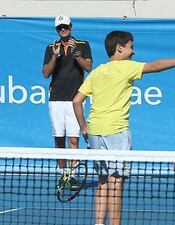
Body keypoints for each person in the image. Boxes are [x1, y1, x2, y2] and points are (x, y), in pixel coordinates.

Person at [72, 31, 175, 225]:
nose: (134, 52)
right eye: (131, 47)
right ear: (119, 48)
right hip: (116, 132)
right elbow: (155, 66)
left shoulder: (97, 71)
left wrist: (84, 128)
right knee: (116, 186)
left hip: (95, 131)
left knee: (103, 183)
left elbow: (76, 101)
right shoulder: (125, 67)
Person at [42, 15, 92, 187]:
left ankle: (72, 176)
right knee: (58, 139)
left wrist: (75, 55)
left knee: (74, 140)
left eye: (65, 26)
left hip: (75, 100)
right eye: (59, 27)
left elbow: (88, 67)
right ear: (57, 29)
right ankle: (63, 175)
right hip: (56, 100)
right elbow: (46, 73)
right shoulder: (51, 48)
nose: (63, 29)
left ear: (71, 26)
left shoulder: (83, 45)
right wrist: (55, 57)